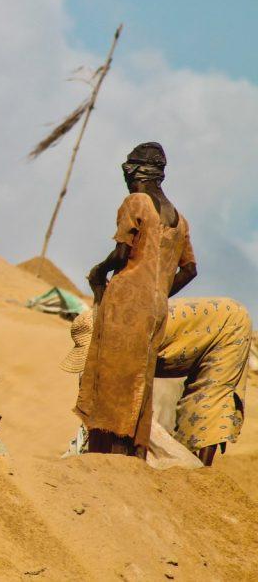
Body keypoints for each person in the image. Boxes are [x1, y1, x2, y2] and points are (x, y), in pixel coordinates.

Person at [75, 142, 197, 460]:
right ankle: (131, 455)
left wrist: (98, 272)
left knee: (112, 377)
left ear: (134, 170)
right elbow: (190, 270)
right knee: (139, 379)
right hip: (157, 309)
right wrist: (157, 291)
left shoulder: (137, 201)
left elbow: (121, 253)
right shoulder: (179, 219)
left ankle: (106, 457)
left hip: (125, 303)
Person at [63, 298, 249, 466]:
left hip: (229, 327)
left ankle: (202, 474)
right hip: (195, 330)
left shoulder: (134, 335)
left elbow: (131, 402)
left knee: (208, 399)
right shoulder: (120, 331)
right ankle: (189, 467)